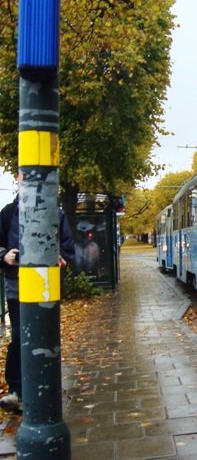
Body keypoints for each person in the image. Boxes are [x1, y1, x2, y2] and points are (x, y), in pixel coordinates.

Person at [0, 173, 75, 413]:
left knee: (43, 336)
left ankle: (41, 390)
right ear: (18, 182)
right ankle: (17, 391)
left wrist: (57, 259)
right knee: (20, 337)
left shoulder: (57, 213)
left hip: (44, 286)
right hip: (17, 285)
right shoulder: (8, 212)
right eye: (24, 179)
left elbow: (67, 250)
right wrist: (5, 255)